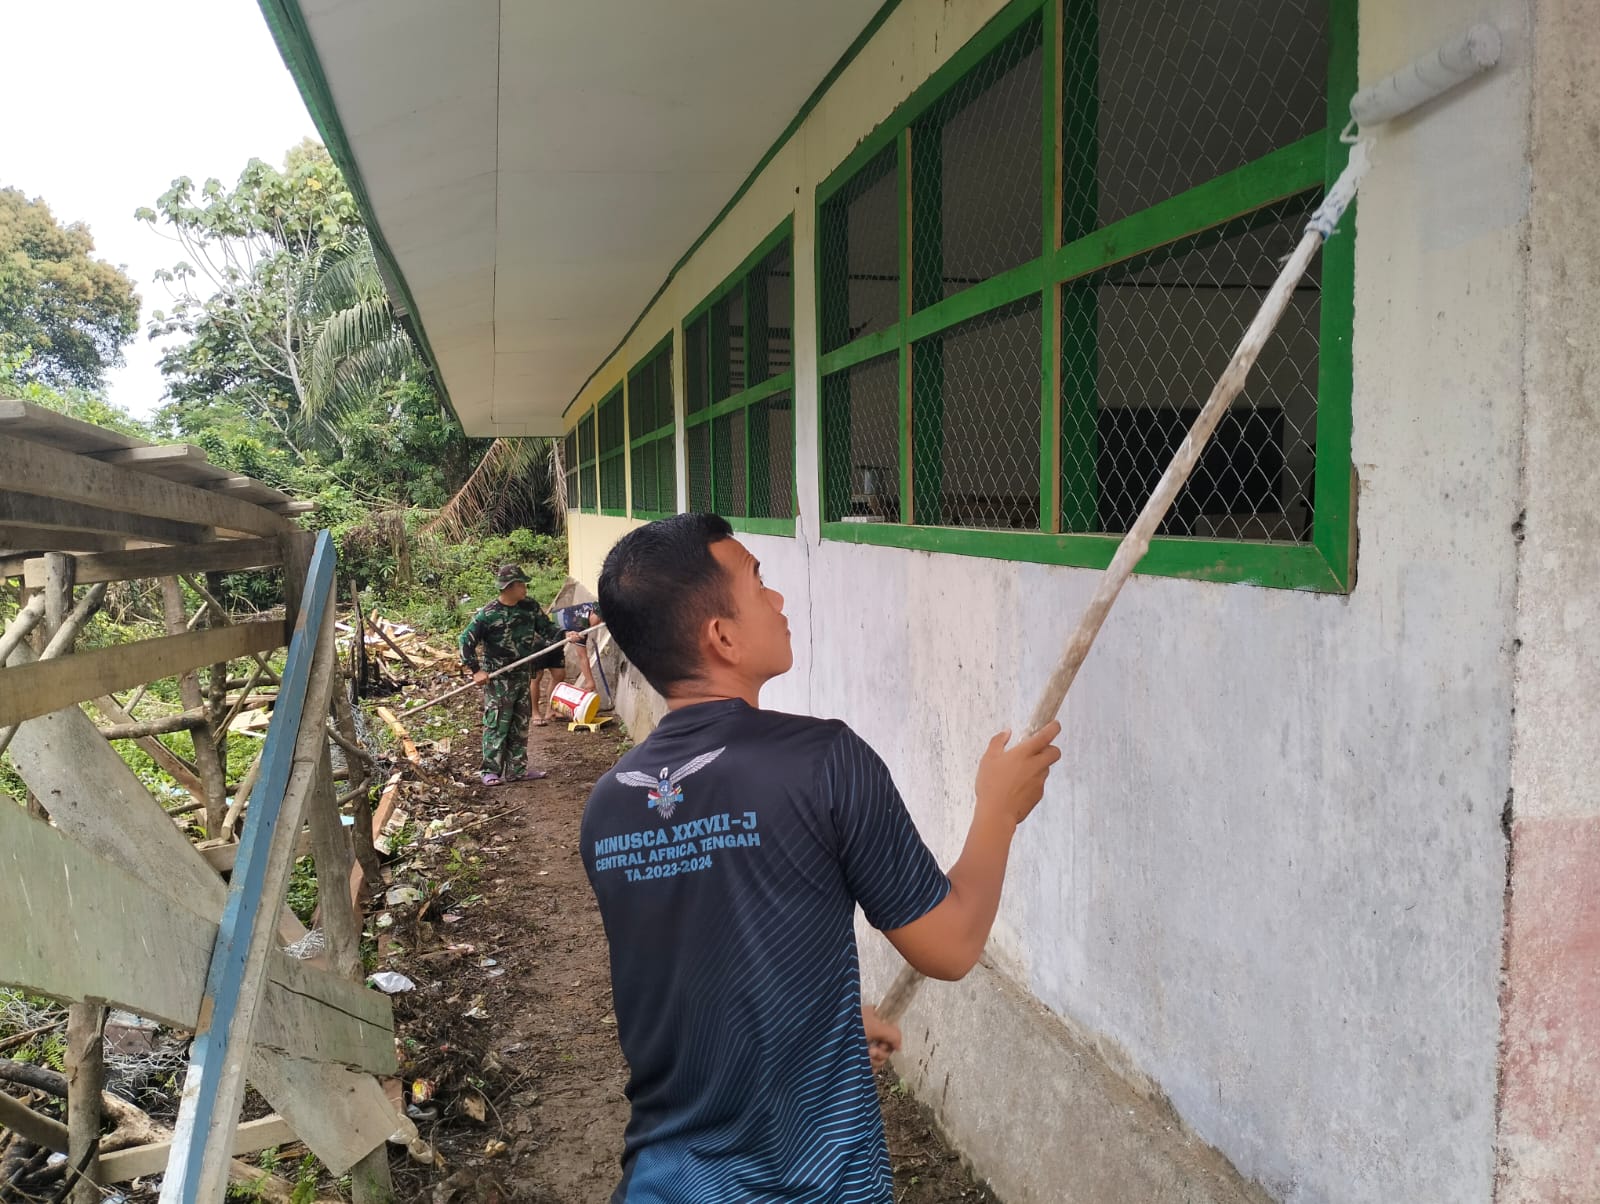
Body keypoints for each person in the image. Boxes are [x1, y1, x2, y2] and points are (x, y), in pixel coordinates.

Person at [581, 514, 1061, 1202]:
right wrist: (999, 811)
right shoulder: (823, 762)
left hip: (663, 1182)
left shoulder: (608, 806)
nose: (778, 599)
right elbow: (951, 944)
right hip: (812, 1183)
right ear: (722, 637)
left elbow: (695, 977)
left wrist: (821, 1023)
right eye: (758, 583)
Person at [457, 563, 580, 784]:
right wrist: (476, 670)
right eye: (522, 584)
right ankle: (490, 771)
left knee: (520, 722)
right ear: (510, 587)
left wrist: (565, 635)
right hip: (499, 678)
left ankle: (517, 769)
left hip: (523, 674)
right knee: (497, 723)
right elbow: (465, 641)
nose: (525, 588)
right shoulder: (488, 615)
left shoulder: (529, 607)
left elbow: (547, 628)